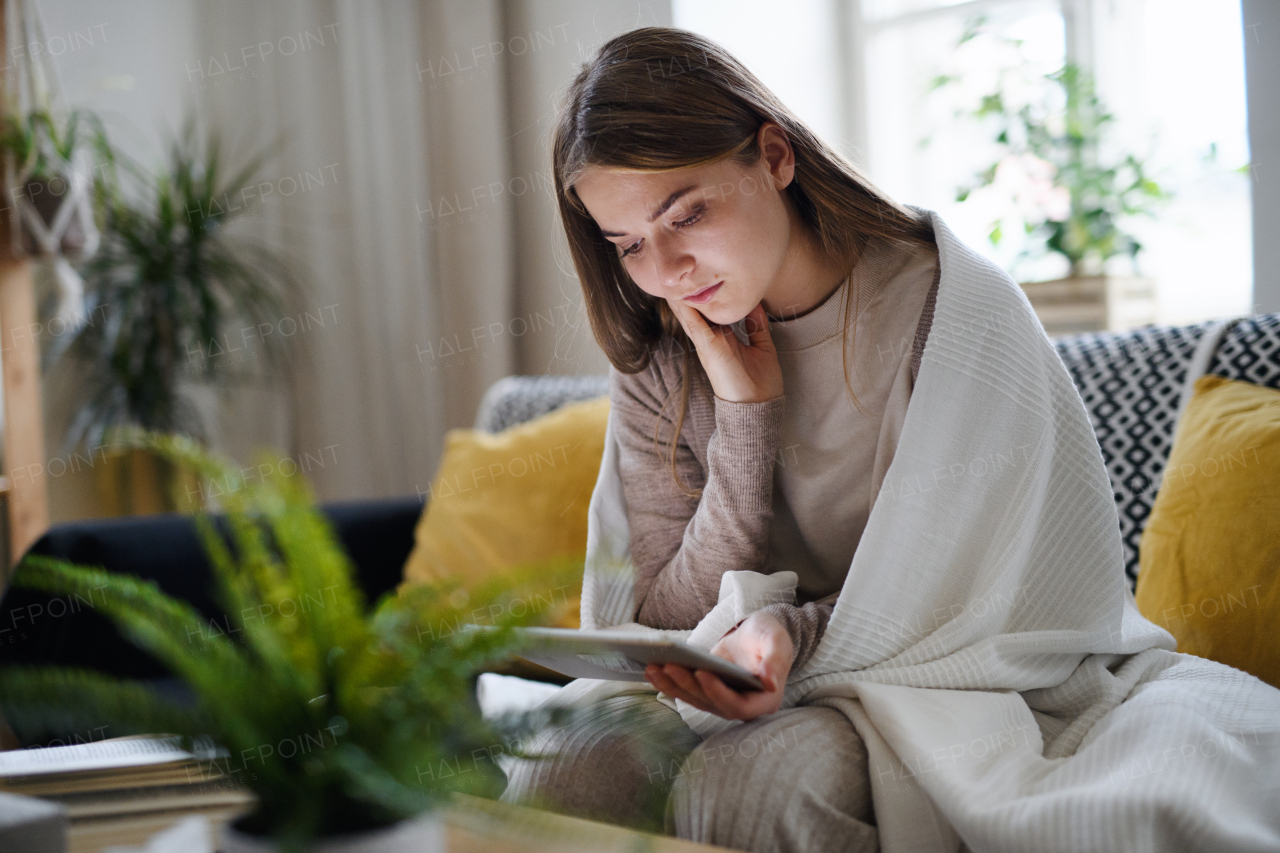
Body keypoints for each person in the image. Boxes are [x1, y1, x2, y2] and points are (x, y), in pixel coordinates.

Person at [500, 25, 936, 853]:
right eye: (628, 244)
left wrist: (786, 637)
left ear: (774, 155)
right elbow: (664, 615)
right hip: (728, 675)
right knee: (563, 768)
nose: (666, 270)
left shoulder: (939, 309)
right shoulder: (663, 350)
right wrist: (745, 416)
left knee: (750, 786)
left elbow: (963, 587)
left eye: (686, 212)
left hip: (914, 670)